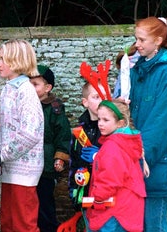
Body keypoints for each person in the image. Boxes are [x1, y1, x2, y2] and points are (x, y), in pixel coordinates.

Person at [130, 16, 167, 232]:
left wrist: (139, 157)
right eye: (136, 38)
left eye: (142, 40)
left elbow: (165, 125)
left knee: (154, 225)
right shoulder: (138, 71)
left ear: (158, 41)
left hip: (156, 166)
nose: (137, 44)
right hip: (139, 165)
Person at [0, 39, 44, 232]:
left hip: (24, 169)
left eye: (2, 59)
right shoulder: (9, 88)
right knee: (7, 222)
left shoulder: (26, 91)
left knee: (24, 224)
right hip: (9, 168)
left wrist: (2, 154)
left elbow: (30, 133)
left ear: (15, 61)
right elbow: (5, 128)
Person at [85, 99, 146, 232]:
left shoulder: (113, 147)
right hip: (127, 206)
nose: (100, 124)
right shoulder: (125, 142)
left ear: (120, 123)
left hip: (115, 209)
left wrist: (98, 200)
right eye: (99, 119)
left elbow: (110, 179)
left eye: (106, 120)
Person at [29, 64, 70, 232]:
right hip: (28, 163)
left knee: (45, 203)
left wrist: (59, 157)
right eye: (29, 83)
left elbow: (63, 134)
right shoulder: (27, 104)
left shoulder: (55, 108)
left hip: (45, 163)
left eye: (35, 84)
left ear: (48, 87)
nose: (31, 88)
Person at [68, 82, 103, 226]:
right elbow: (73, 164)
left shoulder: (110, 128)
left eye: (103, 96)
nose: (101, 100)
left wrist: (100, 155)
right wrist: (74, 193)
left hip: (105, 196)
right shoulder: (79, 131)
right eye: (96, 97)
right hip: (86, 193)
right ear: (85, 102)